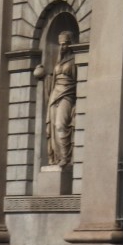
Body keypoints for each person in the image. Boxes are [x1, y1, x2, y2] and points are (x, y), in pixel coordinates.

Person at [34, 30, 77, 167]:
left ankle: (66, 157)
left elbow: (78, 80)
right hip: (55, 95)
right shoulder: (59, 62)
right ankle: (57, 158)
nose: (62, 47)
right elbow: (52, 80)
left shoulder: (75, 60)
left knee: (60, 125)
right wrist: (44, 76)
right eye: (60, 44)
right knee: (53, 127)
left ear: (70, 44)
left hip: (67, 94)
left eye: (65, 44)